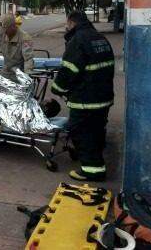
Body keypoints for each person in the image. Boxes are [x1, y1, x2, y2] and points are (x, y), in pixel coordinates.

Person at [51, 11, 115, 182]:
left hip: (86, 99)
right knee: (96, 131)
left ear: (71, 22)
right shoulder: (99, 38)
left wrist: (57, 88)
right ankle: (95, 162)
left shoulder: (78, 41)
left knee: (82, 133)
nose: (66, 27)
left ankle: (92, 171)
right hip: (103, 97)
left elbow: (69, 70)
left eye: (67, 24)